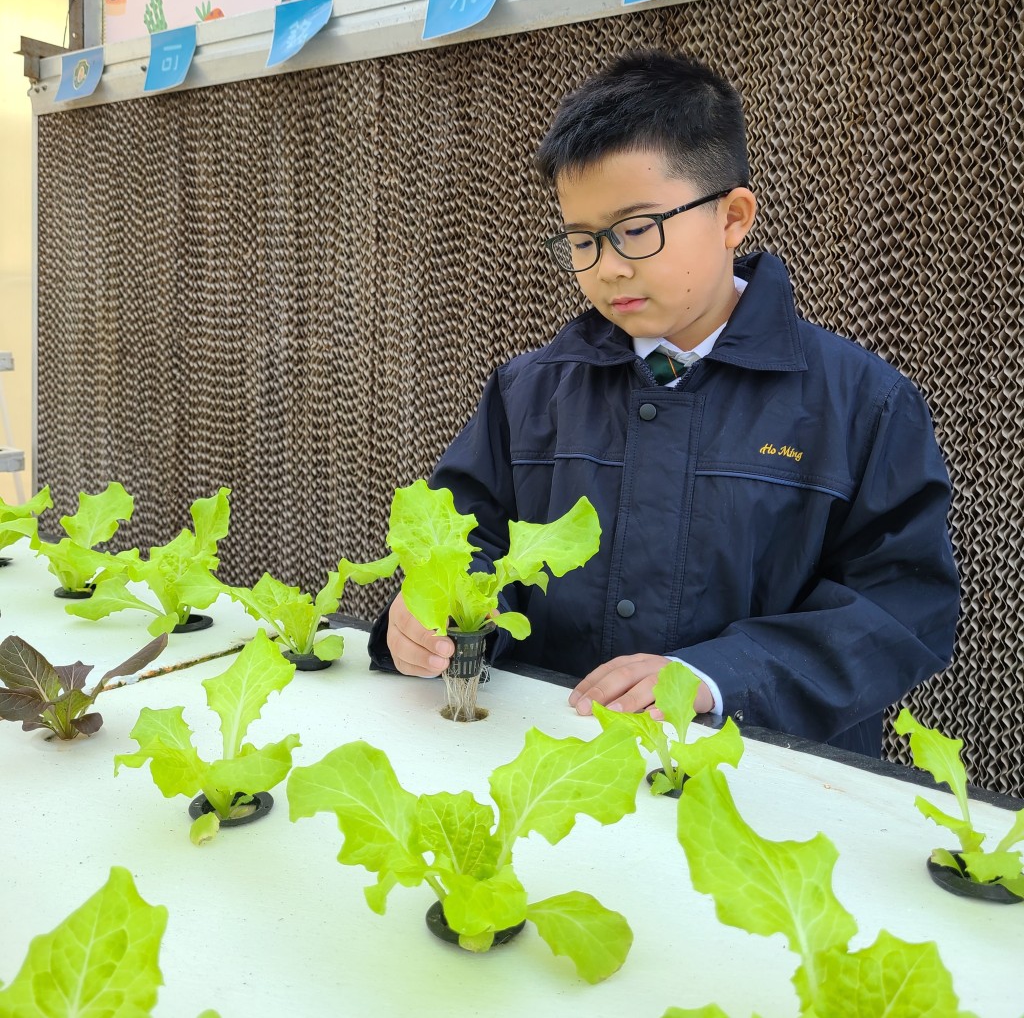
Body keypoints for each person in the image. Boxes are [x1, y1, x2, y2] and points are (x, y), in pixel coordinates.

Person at [368, 48, 960, 757]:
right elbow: (468, 540)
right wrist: (428, 612)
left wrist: (712, 678)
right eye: (581, 240)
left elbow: (901, 606)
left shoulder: (863, 403)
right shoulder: (529, 390)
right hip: (550, 765)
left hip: (762, 783)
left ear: (733, 216)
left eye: (637, 229)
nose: (607, 267)